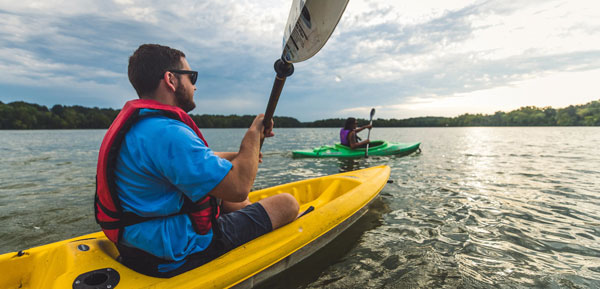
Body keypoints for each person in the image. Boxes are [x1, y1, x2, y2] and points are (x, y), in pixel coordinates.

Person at [95, 44, 299, 278]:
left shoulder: (144, 128)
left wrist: (240, 156)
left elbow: (202, 161)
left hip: (138, 245)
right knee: (286, 203)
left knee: (229, 203)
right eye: (191, 76)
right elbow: (239, 187)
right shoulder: (169, 134)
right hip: (173, 252)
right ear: (170, 79)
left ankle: (247, 217)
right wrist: (253, 135)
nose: (195, 85)